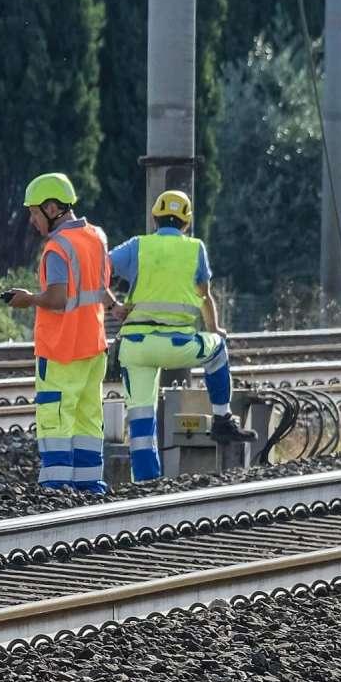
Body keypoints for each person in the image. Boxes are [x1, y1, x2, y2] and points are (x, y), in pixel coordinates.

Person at [111, 188, 248, 483]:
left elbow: (98, 269)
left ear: (155, 219)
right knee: (216, 349)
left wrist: (112, 305)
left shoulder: (137, 245)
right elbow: (204, 296)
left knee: (140, 419)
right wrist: (214, 329)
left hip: (136, 346)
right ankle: (222, 418)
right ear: (186, 223)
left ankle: (146, 484)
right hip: (178, 345)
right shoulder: (194, 248)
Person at [2, 172, 112, 493]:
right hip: (93, 347)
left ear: (52, 208)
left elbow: (58, 299)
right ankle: (89, 485)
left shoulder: (57, 248)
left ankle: (56, 489)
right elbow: (100, 289)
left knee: (55, 417)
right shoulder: (97, 237)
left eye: (34, 213)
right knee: (88, 417)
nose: (32, 220)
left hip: (61, 350)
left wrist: (27, 299)